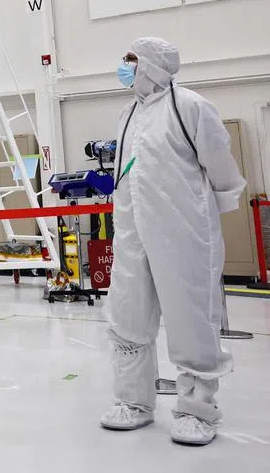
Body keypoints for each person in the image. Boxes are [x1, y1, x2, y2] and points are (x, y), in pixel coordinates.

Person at [100, 37, 245, 445]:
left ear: (152, 64)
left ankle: (197, 411)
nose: (124, 67)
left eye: (130, 60)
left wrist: (207, 215)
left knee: (191, 320)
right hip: (132, 234)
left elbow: (219, 165)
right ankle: (134, 402)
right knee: (128, 314)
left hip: (183, 233)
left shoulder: (190, 107)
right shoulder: (127, 114)